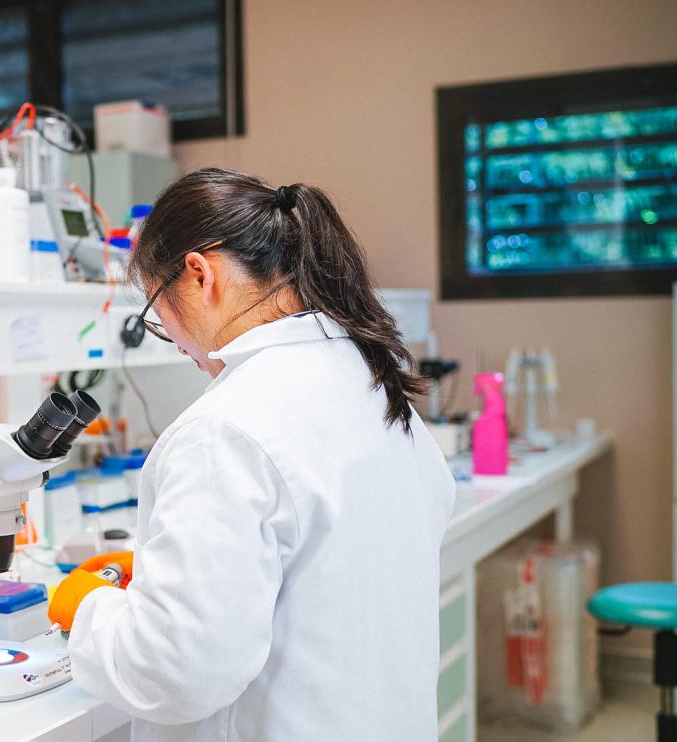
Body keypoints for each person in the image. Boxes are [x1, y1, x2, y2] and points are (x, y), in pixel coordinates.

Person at [48, 168, 455, 741]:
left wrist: (88, 608)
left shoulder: (224, 428)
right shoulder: (370, 383)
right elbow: (334, 560)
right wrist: (178, 581)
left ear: (198, 274)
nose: (174, 339)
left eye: (157, 315)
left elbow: (176, 670)